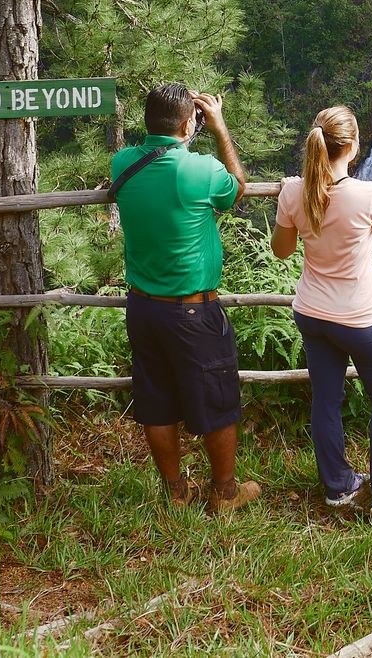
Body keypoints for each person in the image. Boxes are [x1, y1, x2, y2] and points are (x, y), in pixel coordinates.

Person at [111, 82, 259, 514]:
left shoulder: (123, 162)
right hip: (192, 311)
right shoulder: (199, 170)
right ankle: (225, 494)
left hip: (143, 308)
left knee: (156, 403)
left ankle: (176, 494)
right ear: (188, 122)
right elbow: (238, 188)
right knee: (216, 399)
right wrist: (219, 127)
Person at [270, 106, 372, 518]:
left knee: (326, 399)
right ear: (352, 147)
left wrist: (289, 195)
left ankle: (338, 487)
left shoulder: (293, 192)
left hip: (313, 314)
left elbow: (282, 251)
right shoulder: (369, 194)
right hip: (361, 318)